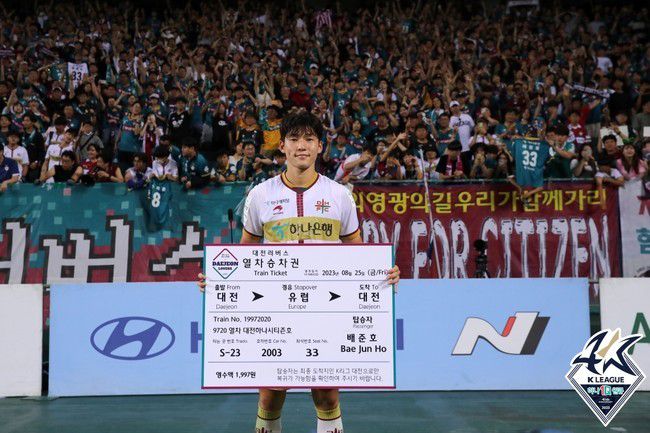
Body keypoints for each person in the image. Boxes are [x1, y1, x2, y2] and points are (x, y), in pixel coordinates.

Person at [197, 111, 400, 433]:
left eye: (308, 139)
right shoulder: (260, 195)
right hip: (275, 310)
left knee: (327, 394)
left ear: (320, 146)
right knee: (270, 396)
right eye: (293, 139)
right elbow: (243, 255)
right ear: (283, 147)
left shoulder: (340, 195)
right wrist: (219, 283)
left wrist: (382, 275)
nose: (301, 146)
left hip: (327, 308)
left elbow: (357, 254)